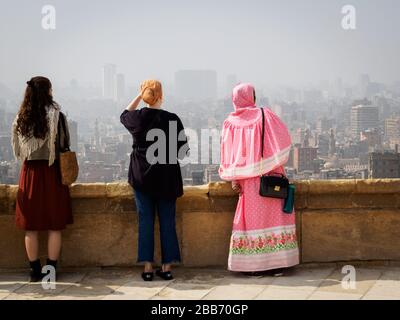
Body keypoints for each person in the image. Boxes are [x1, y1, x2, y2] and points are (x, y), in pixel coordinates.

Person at [219, 83, 299, 276]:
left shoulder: (230, 122)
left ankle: (255, 267)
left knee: (253, 223)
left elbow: (228, 153)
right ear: (252, 97)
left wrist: (235, 178)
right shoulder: (266, 115)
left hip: (249, 181)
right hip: (271, 177)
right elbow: (284, 139)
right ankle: (278, 264)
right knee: (275, 220)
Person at [120, 80, 189, 281]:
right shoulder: (172, 119)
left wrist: (139, 96)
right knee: (168, 222)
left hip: (142, 179)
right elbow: (183, 151)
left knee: (146, 222)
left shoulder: (138, 118)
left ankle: (148, 268)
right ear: (161, 96)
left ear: (145, 95)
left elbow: (124, 114)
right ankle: (167, 268)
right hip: (167, 179)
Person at [12, 76, 73, 282]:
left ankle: (34, 271)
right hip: (52, 172)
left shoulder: (21, 118)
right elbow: (65, 143)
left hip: (30, 174)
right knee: (54, 225)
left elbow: (19, 150)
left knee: (31, 227)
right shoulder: (57, 116)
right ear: (48, 91)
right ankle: (51, 271)